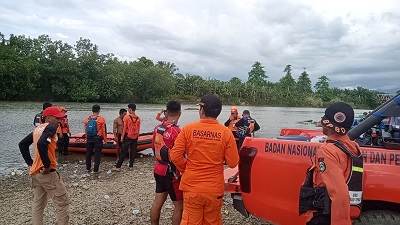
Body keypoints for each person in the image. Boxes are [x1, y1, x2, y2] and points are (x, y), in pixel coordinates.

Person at [170, 94, 239, 225]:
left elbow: (175, 155)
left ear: (202, 110)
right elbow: (233, 162)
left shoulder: (188, 129)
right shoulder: (226, 133)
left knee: (190, 221)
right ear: (218, 112)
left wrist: (186, 168)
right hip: (214, 190)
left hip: (192, 187)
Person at [299, 102, 363, 225]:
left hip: (324, 215)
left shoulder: (327, 151)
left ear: (328, 125)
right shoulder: (353, 146)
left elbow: (338, 191)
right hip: (341, 209)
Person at [19, 106, 70, 225]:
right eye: (57, 118)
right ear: (48, 118)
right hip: (47, 173)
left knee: (38, 204)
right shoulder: (51, 127)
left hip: (35, 173)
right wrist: (47, 165)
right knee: (62, 202)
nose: (60, 121)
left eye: (61, 118)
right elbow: (42, 143)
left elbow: (22, 144)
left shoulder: (37, 129)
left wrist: (30, 163)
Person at [150, 100, 183, 225]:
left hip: (158, 169)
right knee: (179, 207)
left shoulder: (157, 128)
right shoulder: (177, 131)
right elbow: (180, 155)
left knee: (157, 203)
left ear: (166, 112)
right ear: (179, 114)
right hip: (171, 174)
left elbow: (154, 148)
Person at [113, 103, 141, 171]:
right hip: (135, 136)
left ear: (130, 109)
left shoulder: (127, 117)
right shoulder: (138, 118)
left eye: (128, 109)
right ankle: (131, 165)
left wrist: (122, 138)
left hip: (128, 136)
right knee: (133, 151)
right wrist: (137, 137)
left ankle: (118, 166)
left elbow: (125, 128)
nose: (128, 110)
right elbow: (138, 128)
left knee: (123, 151)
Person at [84, 104, 107, 173]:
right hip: (98, 138)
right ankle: (95, 169)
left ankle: (88, 168)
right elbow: (103, 130)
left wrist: (86, 139)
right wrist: (105, 140)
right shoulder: (101, 119)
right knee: (97, 154)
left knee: (88, 153)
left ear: (92, 110)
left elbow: (85, 130)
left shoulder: (87, 118)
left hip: (90, 138)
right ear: (99, 110)